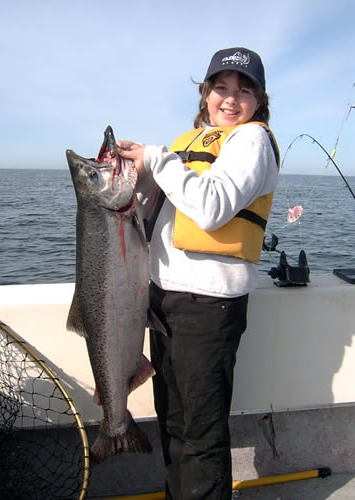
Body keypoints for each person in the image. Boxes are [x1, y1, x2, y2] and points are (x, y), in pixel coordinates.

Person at [118, 47, 279, 500]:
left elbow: (209, 208)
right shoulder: (190, 142)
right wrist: (136, 177)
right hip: (163, 299)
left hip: (208, 307)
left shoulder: (251, 142)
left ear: (258, 100)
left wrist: (158, 160)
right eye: (220, 88)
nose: (230, 99)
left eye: (243, 91)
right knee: (173, 422)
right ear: (205, 94)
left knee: (201, 434)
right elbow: (163, 206)